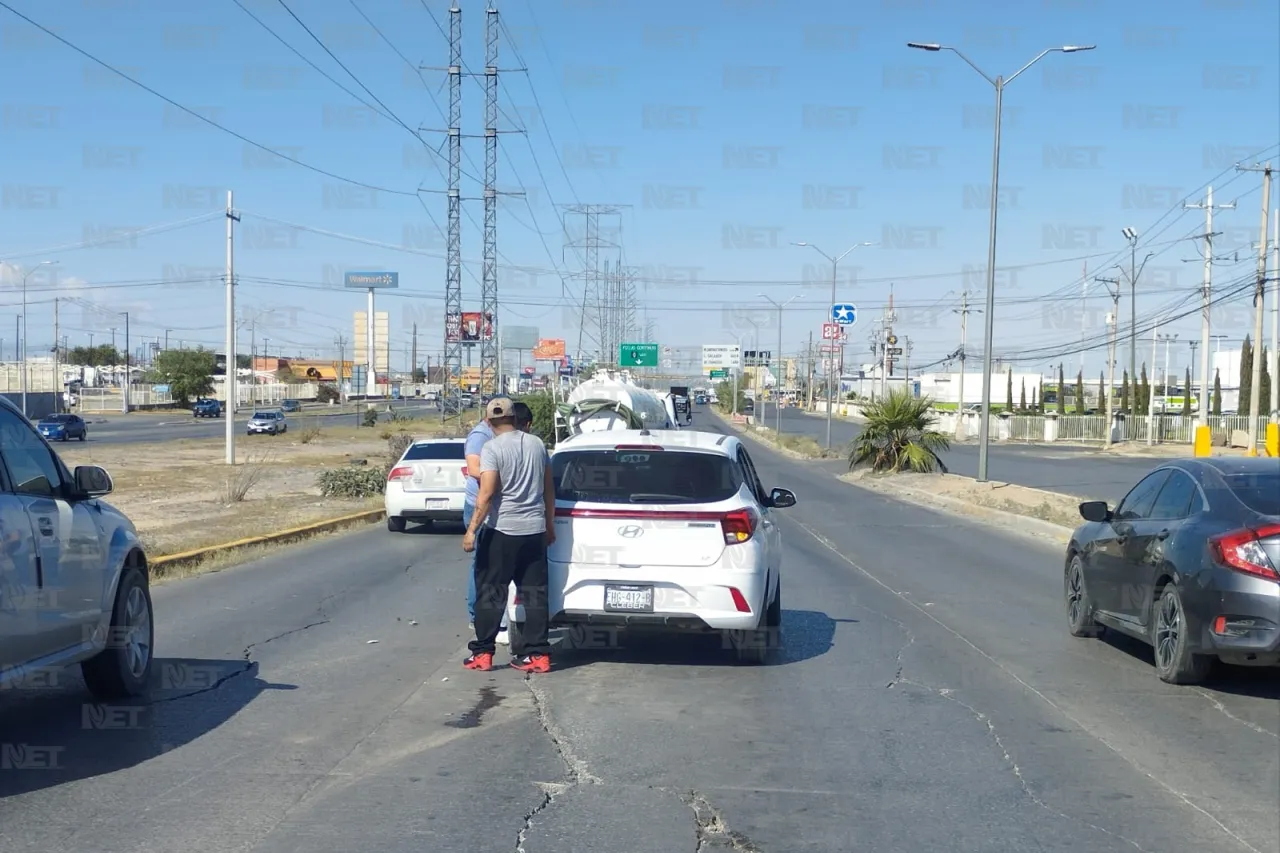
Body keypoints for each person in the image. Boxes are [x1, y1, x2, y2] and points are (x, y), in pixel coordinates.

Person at [461, 397, 555, 673]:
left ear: (489, 422)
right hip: (534, 530)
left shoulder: (491, 448)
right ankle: (537, 655)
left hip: (501, 531)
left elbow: (487, 493)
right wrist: (549, 525)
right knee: (535, 594)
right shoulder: (537, 444)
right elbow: (548, 488)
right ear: (515, 418)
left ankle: (483, 653)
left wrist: (471, 530)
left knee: (491, 593)